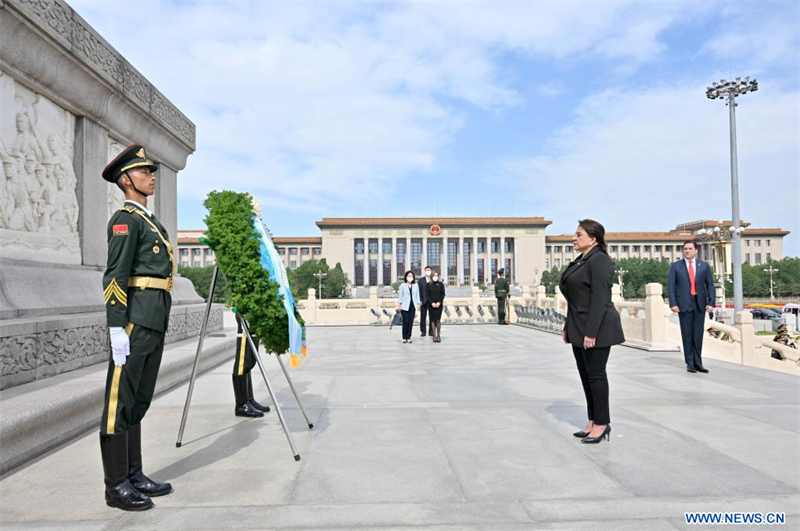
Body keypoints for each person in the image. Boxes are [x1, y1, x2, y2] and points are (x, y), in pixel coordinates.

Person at [99, 145, 174, 511]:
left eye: (151, 171)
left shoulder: (148, 220)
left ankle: (133, 474)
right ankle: (115, 486)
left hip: (153, 319)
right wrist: (117, 327)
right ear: (126, 179)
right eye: (144, 172)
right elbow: (115, 276)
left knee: (139, 399)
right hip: (133, 322)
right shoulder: (125, 220)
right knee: (119, 402)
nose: (151, 177)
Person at [559, 219, 625, 444]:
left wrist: (591, 332)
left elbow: (599, 299)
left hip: (597, 327)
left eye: (579, 234)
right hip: (579, 325)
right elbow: (574, 299)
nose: (574, 238)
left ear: (593, 238)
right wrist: (568, 326)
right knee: (585, 375)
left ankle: (602, 423)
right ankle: (592, 420)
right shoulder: (582, 260)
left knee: (596, 375)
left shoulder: (600, 261)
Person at [668, 241, 715, 373]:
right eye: (685, 249)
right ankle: (690, 363)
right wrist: (673, 303)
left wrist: (711, 302)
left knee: (698, 335)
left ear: (696, 250)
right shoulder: (676, 266)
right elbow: (671, 286)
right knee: (687, 334)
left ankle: (698, 363)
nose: (687, 251)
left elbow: (710, 285)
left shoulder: (704, 266)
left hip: (700, 304)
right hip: (684, 304)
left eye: (690, 248)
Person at [232, 316, 272, 418]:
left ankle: (249, 399)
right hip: (244, 314)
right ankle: (242, 405)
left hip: (252, 316)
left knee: (250, 359)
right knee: (242, 361)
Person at [396, 270, 421, 343]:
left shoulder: (416, 285)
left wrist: (418, 304)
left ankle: (409, 337)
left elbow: (417, 295)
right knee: (405, 321)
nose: (410, 277)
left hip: (412, 305)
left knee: (411, 322)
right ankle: (404, 337)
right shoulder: (402, 285)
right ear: (406, 277)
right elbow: (400, 296)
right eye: (409, 276)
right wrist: (399, 305)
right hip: (404, 306)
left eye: (411, 276)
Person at [426, 270, 446, 342]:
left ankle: (438, 335)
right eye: (434, 275)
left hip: (439, 305)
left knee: (438, 320)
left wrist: (439, 302)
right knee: (432, 320)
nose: (435, 277)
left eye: (436, 275)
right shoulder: (428, 284)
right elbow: (427, 295)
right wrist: (432, 303)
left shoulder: (440, 284)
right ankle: (434, 335)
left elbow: (442, 294)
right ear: (431, 276)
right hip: (431, 305)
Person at [418, 266, 432, 337]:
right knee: (423, 317)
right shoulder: (421, 280)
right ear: (425, 271)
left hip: (432, 302)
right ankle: (423, 331)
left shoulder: (433, 279)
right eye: (427, 270)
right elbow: (419, 291)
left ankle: (431, 331)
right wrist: (419, 300)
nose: (428, 271)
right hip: (423, 301)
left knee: (432, 317)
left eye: (429, 270)